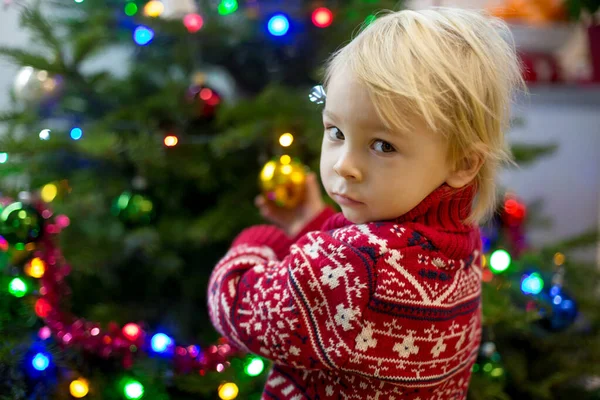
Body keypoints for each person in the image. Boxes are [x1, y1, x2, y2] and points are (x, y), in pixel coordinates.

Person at [208, 7, 523, 399]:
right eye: (336, 131)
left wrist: (261, 242)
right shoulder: (461, 248)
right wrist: (312, 222)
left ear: (462, 162)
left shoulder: (360, 268)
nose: (345, 166)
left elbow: (238, 305)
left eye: (382, 145)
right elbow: (350, 307)